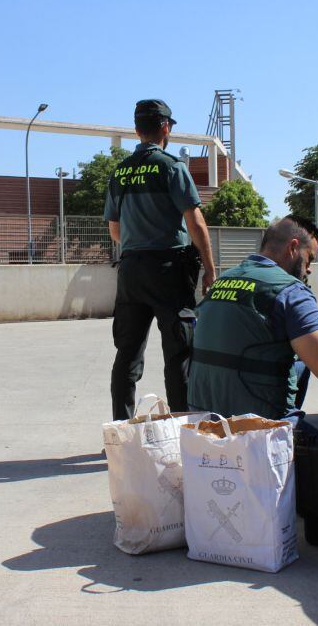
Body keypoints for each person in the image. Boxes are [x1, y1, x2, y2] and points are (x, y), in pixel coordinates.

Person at [187, 214, 318, 426]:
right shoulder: (290, 291)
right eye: (309, 258)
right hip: (254, 430)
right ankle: (287, 430)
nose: (309, 268)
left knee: (303, 360)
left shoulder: (223, 280)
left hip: (202, 423)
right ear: (293, 248)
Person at [104, 99, 217, 421]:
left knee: (127, 355)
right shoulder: (171, 167)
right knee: (179, 353)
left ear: (137, 130)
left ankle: (121, 430)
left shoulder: (120, 172)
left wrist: (139, 241)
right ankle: (183, 429)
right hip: (169, 269)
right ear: (166, 127)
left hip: (131, 270)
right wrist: (209, 269)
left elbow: (115, 230)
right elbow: (194, 220)